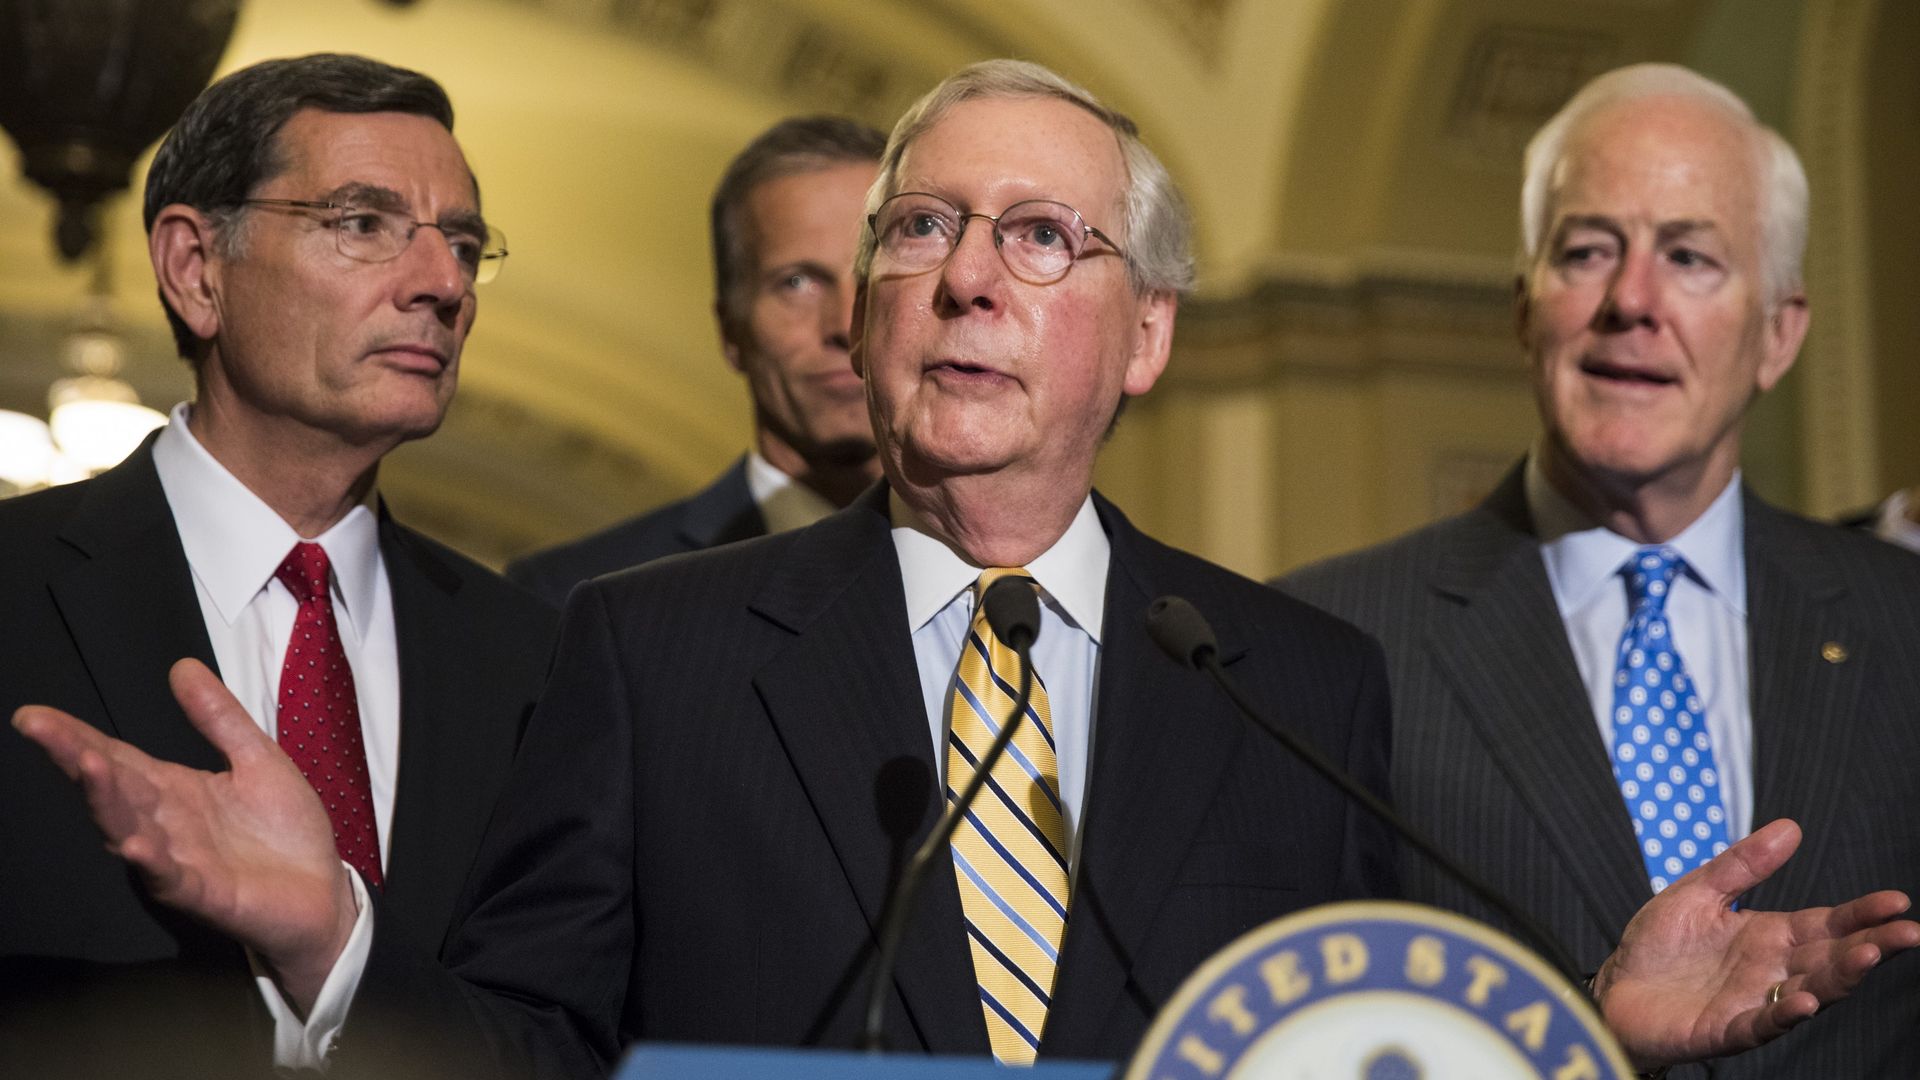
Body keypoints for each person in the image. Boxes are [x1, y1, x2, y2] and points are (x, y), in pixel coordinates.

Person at [16, 60, 1917, 1080]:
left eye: (1038, 234)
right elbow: (527, 1052)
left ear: (1146, 338)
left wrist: (1591, 1031)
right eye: (922, 228)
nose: (969, 276)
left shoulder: (1291, 682)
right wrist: (332, 937)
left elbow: (1351, 1058)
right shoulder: (645, 652)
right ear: (864, 306)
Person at [1281, 63, 1920, 1077]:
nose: (1632, 300)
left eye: (1690, 257)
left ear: (1779, 332)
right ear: (1525, 308)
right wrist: (1574, 1030)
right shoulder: (1319, 644)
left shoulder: (1906, 627)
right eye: (1587, 252)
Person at [0, 54, 556, 1078]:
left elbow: (566, 1040)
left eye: (465, 244)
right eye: (362, 222)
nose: (442, 284)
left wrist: (337, 948)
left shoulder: (543, 662)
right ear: (196, 270)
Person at [505, 116, 886, 605]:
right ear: (730, 330)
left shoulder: (1001, 569)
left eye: (871, 276)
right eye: (796, 282)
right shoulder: (574, 597)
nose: (843, 325)